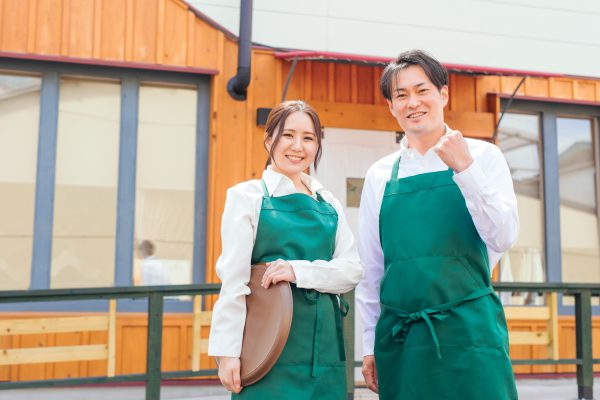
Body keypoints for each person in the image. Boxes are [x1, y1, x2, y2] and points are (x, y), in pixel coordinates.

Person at [356, 50, 519, 399]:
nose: (413, 102)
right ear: (391, 106)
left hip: (471, 332)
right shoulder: (380, 175)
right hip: (403, 336)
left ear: (443, 95)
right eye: (401, 95)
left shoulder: (484, 157)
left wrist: (466, 169)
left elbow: (504, 236)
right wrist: (368, 344)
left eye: (422, 90)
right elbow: (371, 270)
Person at [208, 100, 363, 399]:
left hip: (325, 350)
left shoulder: (328, 202)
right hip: (266, 345)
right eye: (287, 135)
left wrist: (297, 271)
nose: (297, 146)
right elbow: (233, 280)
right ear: (269, 140)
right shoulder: (247, 197)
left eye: (308, 138)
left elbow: (352, 270)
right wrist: (227, 352)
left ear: (317, 146)